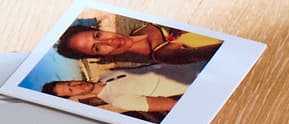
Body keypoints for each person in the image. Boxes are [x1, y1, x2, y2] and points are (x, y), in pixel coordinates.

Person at [43, 66, 186, 117]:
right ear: (73, 97)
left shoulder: (106, 75)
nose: (76, 85)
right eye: (70, 90)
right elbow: (171, 105)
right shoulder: (118, 100)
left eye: (69, 82)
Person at [56, 22, 222, 65]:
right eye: (97, 47)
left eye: (98, 35)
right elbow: (216, 52)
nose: (109, 41)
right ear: (100, 55)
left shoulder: (140, 23)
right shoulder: (162, 54)